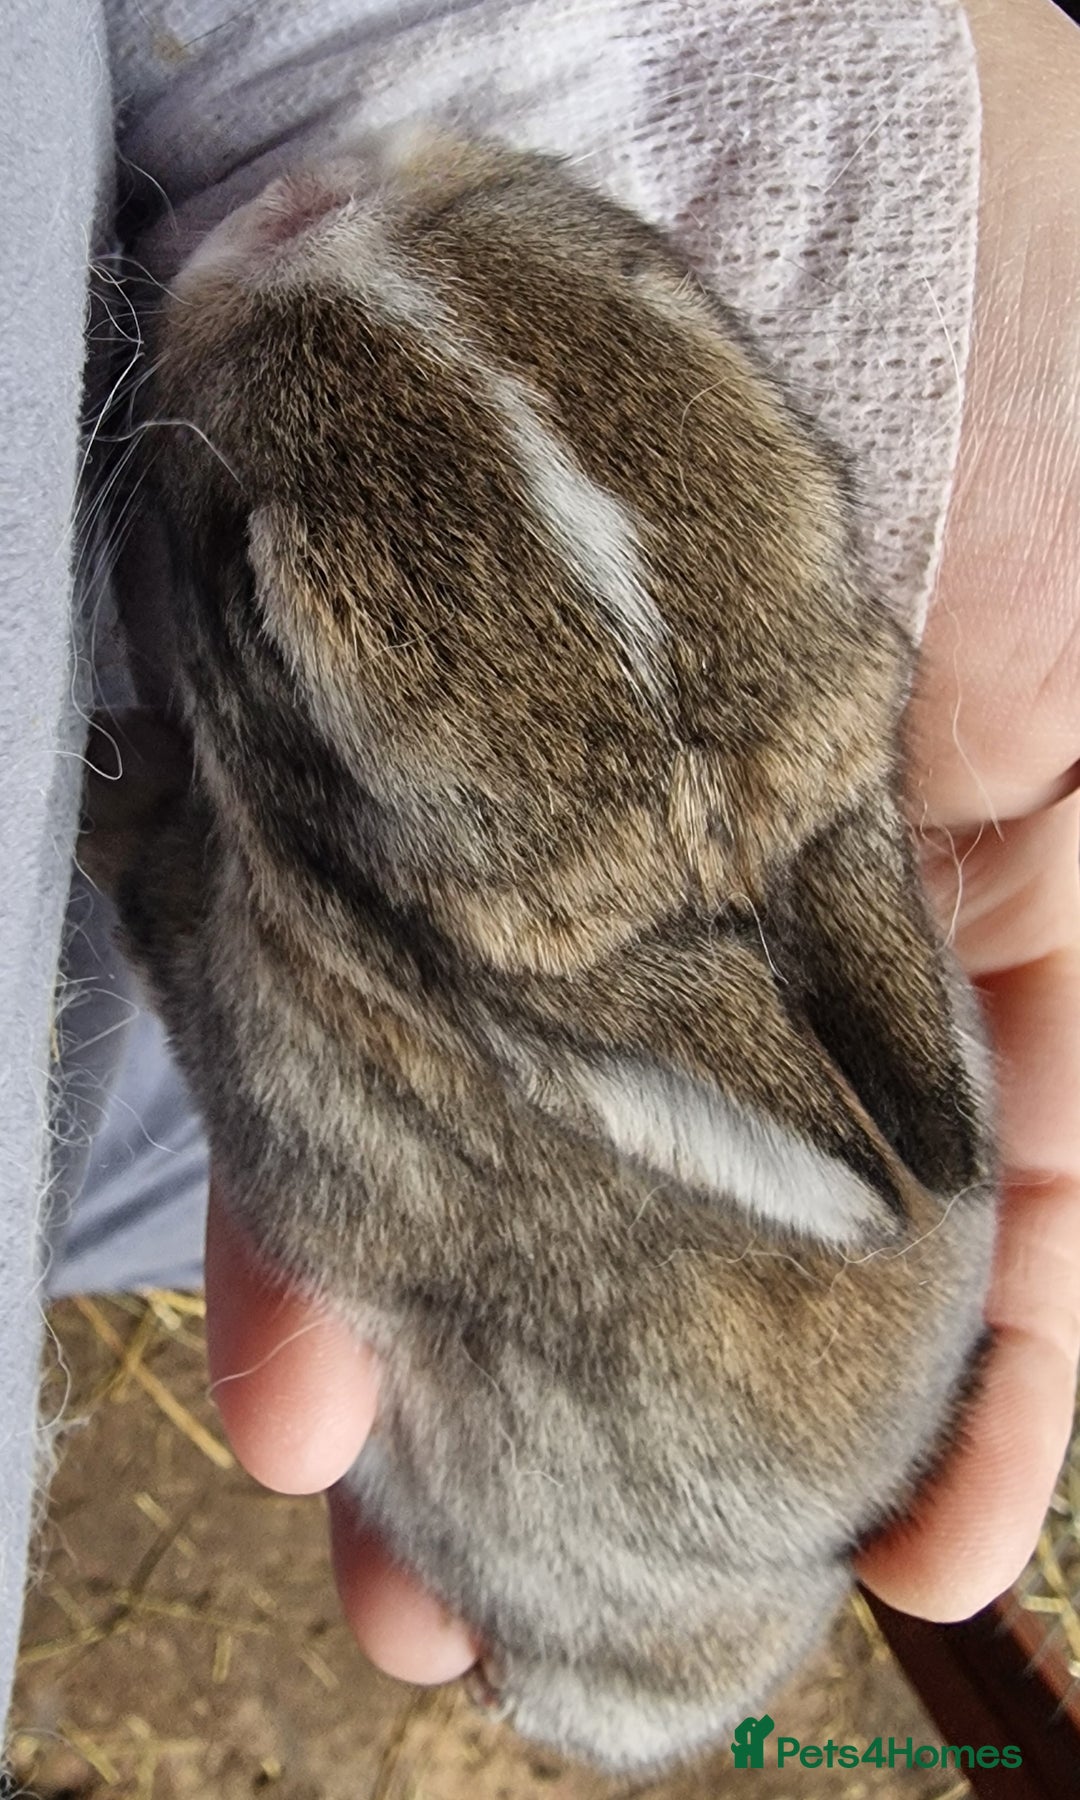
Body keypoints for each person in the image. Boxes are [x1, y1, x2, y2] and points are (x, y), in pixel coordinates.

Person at [1, 0, 1077, 1727]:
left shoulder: (384, 1086)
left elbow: (293, 1086)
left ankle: (597, 1681)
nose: (328, 195)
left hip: (627, 1483)